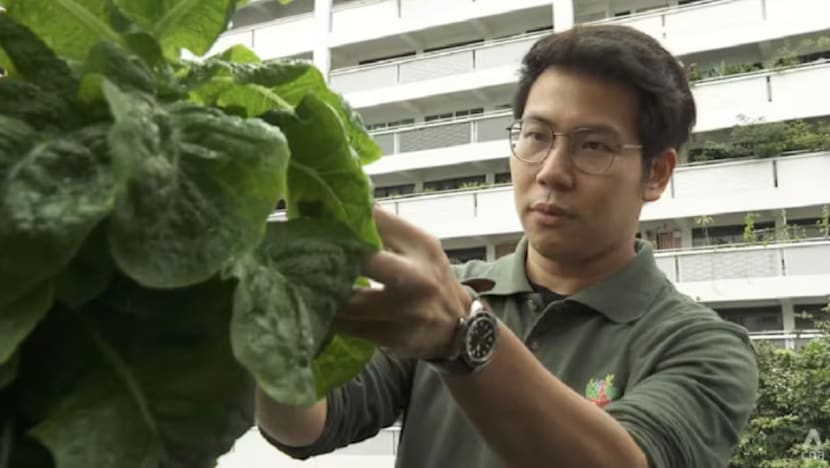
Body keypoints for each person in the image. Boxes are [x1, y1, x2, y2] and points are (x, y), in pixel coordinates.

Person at [256, 24, 760, 468]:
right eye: (537, 136)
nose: (551, 171)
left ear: (656, 173)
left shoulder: (702, 347)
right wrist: (261, 324)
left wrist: (464, 340)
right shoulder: (452, 292)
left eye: (594, 146)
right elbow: (313, 423)